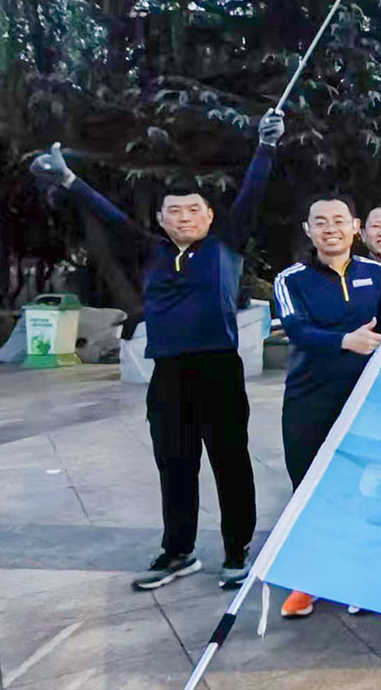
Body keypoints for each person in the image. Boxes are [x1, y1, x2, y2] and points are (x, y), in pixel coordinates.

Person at [27, 108, 283, 593]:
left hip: (218, 370)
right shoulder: (152, 252)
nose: (184, 218)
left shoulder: (226, 246)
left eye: (194, 211)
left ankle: (237, 550)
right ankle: (178, 551)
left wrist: (266, 146)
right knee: (175, 463)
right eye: (174, 212)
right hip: (168, 375)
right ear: (162, 219)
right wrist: (69, 180)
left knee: (230, 462)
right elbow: (112, 218)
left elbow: (251, 195)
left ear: (209, 216)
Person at [271, 195, 381, 618]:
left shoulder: (375, 273)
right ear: (308, 230)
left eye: (339, 220)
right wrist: (345, 341)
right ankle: (310, 579)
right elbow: (296, 329)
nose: (331, 229)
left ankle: (361, 577)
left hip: (368, 399)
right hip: (309, 397)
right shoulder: (291, 279)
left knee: (365, 486)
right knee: (309, 486)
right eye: (321, 222)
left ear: (355, 227)